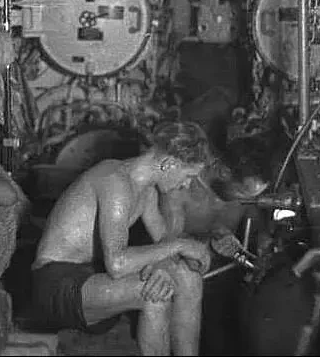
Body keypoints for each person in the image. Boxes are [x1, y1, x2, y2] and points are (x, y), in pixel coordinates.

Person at [32, 121, 213, 356]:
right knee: (155, 295)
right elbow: (117, 264)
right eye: (188, 176)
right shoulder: (115, 181)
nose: (186, 185)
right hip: (55, 283)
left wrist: (168, 263)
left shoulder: (146, 190)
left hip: (91, 277)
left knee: (189, 277)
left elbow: (163, 240)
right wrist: (180, 246)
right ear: (169, 164)